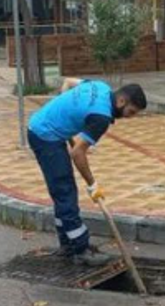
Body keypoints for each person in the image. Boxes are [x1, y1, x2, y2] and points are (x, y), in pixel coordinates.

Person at [28, 78, 147, 265]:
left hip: (43, 126)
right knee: (65, 191)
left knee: (63, 192)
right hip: (45, 136)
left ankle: (67, 245)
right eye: (130, 112)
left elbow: (68, 82)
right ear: (121, 101)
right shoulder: (101, 117)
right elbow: (77, 153)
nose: (129, 117)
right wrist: (93, 185)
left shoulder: (100, 87)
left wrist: (64, 108)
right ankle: (80, 249)